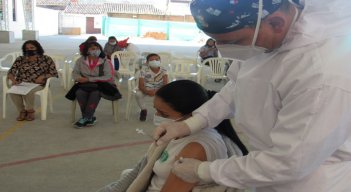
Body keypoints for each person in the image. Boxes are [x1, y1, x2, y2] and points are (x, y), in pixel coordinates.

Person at [153, 0, 351, 191]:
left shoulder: (322, 74)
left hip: (309, 182)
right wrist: (189, 124)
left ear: (277, 23)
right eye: (217, 41)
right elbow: (237, 86)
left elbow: (289, 162)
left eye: (233, 41)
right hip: (267, 167)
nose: (222, 50)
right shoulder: (263, 36)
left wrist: (204, 170)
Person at [96, 80, 248, 192]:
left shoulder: (196, 147)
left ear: (191, 115)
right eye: (156, 110)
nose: (157, 116)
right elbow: (143, 168)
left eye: (164, 114)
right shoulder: (175, 132)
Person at [70, 41, 120, 128]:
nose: (96, 50)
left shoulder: (105, 61)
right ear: (87, 50)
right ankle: (89, 118)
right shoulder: (80, 61)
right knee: (79, 92)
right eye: (93, 49)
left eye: (98, 48)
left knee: (95, 93)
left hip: (103, 85)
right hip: (85, 84)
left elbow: (108, 77)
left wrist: (89, 79)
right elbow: (75, 73)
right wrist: (78, 78)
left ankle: (85, 118)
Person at [6, 40, 58, 121]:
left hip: (38, 84)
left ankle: (30, 111)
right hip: (21, 82)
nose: (29, 50)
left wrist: (42, 76)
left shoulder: (46, 59)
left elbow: (53, 72)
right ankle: (22, 111)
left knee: (29, 91)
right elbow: (11, 72)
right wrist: (13, 80)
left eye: (32, 47)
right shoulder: (20, 59)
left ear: (37, 48)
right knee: (13, 91)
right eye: (27, 48)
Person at [136, 53, 168, 121]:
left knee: (169, 95)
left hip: (160, 89)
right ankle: (143, 110)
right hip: (146, 88)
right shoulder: (143, 70)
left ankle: (161, 111)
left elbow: (165, 84)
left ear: (160, 61)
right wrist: (147, 92)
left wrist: (156, 91)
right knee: (138, 94)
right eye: (151, 60)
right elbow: (141, 85)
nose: (154, 61)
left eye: (156, 59)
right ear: (147, 62)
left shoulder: (163, 70)